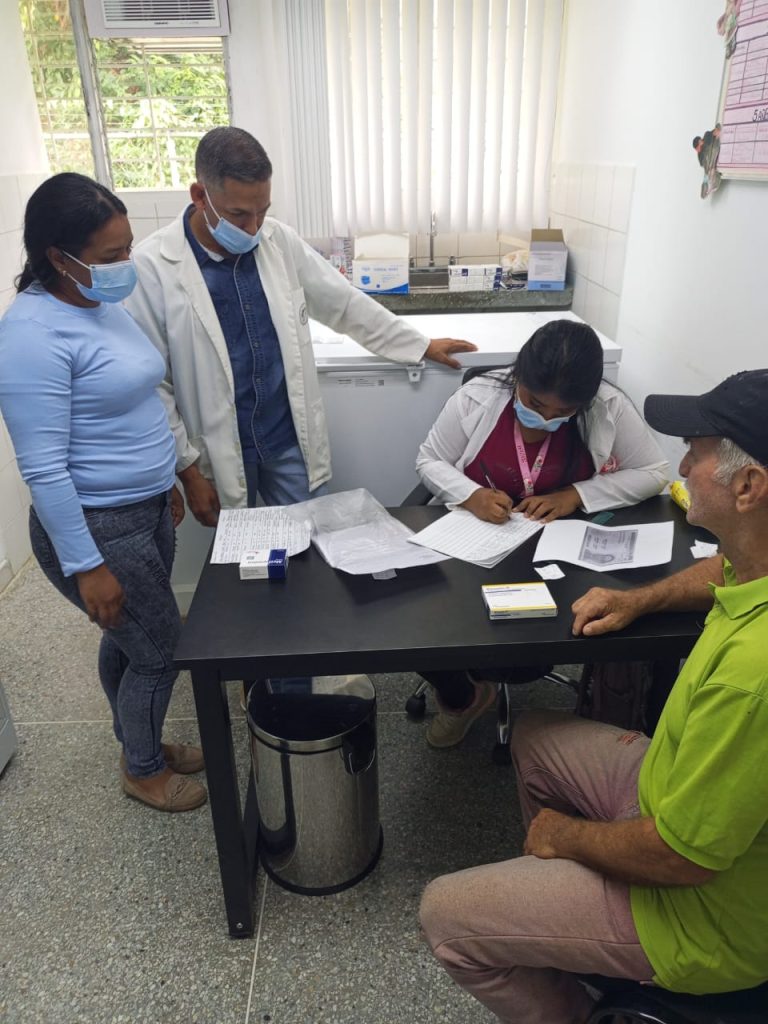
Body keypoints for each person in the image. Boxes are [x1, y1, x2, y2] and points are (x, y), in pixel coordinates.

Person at [419, 368, 768, 1023]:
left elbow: (682, 857)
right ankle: (566, 937)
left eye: (698, 450)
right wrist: (638, 598)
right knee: (535, 735)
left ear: (748, 487)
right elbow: (718, 569)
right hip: (676, 787)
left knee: (444, 914)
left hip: (702, 913)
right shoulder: (755, 560)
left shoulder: (755, 677)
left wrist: (568, 838)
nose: (684, 465)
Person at [125, 126, 475, 523]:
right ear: (200, 195)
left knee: (307, 544)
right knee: (240, 557)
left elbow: (343, 304)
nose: (253, 228)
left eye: (263, 211)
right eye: (239, 214)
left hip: (285, 437)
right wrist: (187, 471)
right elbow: (155, 385)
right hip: (220, 446)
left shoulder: (278, 240)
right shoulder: (153, 267)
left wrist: (417, 344)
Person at [0, 173, 206, 814]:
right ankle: (142, 769)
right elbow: (44, 469)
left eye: (128, 247)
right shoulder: (31, 335)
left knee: (130, 640)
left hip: (145, 510)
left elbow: (140, 397)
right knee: (160, 652)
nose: (127, 264)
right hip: (98, 526)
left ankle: (134, 739)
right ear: (58, 257)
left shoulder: (97, 302)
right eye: (112, 255)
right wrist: (87, 565)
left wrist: (168, 472)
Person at [413, 320, 669, 748]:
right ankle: (462, 697)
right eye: (534, 403)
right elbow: (429, 460)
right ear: (519, 378)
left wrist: (577, 495)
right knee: (419, 624)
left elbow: (654, 472)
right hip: (473, 537)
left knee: (560, 631)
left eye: (563, 413)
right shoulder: (477, 398)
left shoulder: (607, 406)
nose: (547, 418)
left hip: (558, 549)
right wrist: (471, 494)